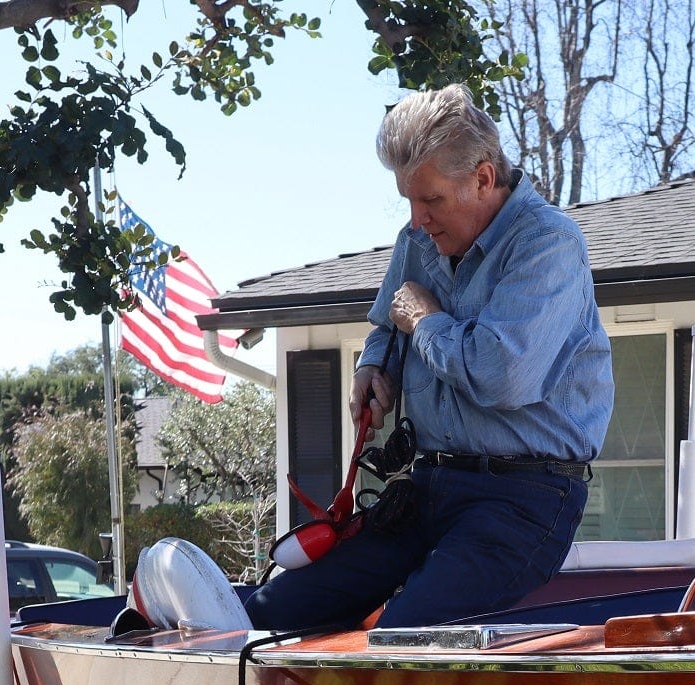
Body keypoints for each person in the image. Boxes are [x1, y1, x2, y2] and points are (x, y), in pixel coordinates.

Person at [246, 84, 613, 633]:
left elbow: (499, 375)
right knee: (269, 613)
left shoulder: (548, 244)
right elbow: (385, 326)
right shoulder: (416, 241)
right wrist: (374, 367)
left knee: (406, 636)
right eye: (409, 201)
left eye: (432, 200)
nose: (417, 220)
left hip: (524, 499)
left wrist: (426, 321)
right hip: (427, 486)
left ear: (484, 177)